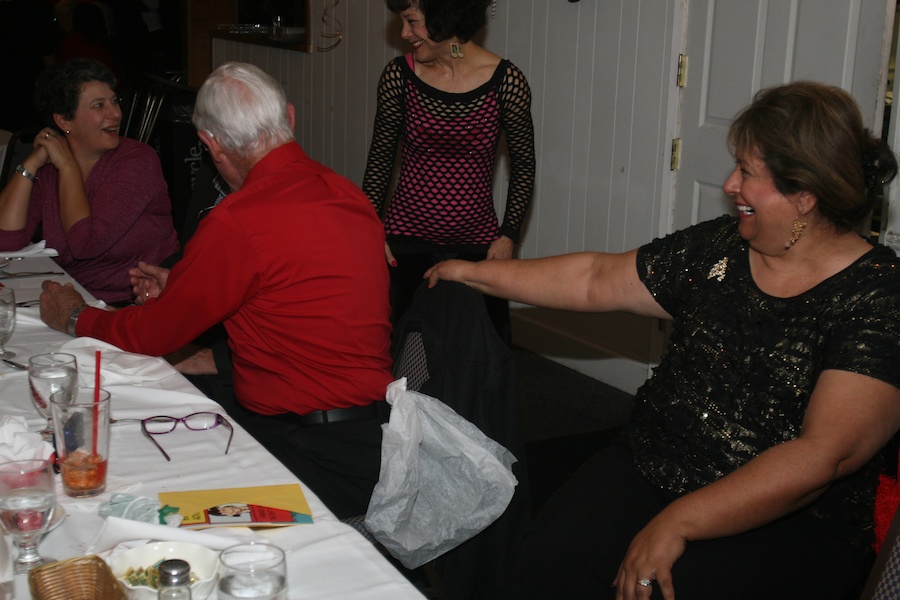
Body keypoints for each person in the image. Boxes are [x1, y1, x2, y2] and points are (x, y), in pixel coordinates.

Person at [424, 81, 900, 599]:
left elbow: (824, 455)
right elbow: (594, 279)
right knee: (549, 560)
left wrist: (679, 522)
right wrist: (471, 273)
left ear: (803, 195)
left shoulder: (878, 296)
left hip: (789, 516)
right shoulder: (719, 247)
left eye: (747, 172)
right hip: (655, 462)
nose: (730, 184)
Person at [38, 61, 395, 520]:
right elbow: (300, 297)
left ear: (210, 144)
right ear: (289, 116)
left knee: (148, 506)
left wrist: (74, 315)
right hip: (372, 442)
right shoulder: (349, 195)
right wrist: (187, 285)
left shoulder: (239, 220)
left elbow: (151, 335)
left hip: (307, 454)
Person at [362, 0, 535, 344]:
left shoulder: (506, 81)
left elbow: (524, 164)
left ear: (444, 17)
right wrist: (369, 231)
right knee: (396, 349)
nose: (404, 33)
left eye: (412, 21)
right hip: (405, 241)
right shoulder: (398, 76)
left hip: (479, 244)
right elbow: (380, 159)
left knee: (482, 349)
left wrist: (508, 236)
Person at [0, 57, 179, 306]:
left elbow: (86, 244)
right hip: (76, 295)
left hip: (136, 304)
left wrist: (68, 166)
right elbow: (6, 241)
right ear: (64, 121)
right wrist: (31, 164)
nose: (116, 113)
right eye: (99, 105)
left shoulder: (137, 161)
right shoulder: (50, 169)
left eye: (115, 101)